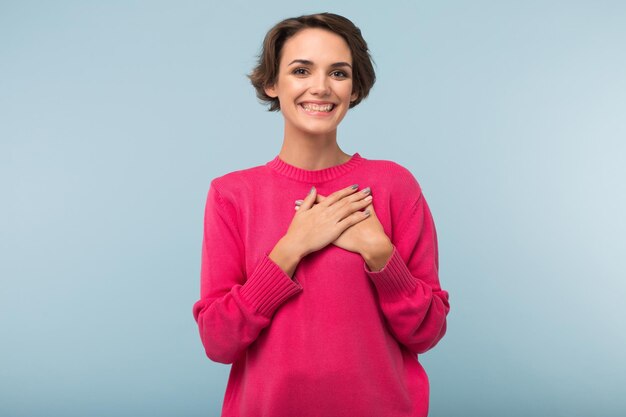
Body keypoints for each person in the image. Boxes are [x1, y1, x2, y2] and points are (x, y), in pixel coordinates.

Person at [192, 12, 450, 417]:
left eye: (338, 73)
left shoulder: (394, 186)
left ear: (355, 87)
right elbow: (218, 342)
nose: (321, 87)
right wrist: (290, 249)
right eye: (301, 70)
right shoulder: (231, 195)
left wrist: (380, 254)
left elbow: (427, 332)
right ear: (271, 83)